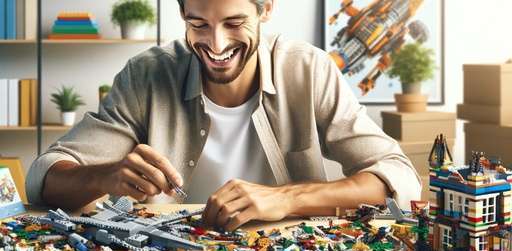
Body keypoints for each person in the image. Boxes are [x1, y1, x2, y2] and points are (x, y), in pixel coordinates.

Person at [26, 0, 421, 232]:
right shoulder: (145, 74)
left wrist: (286, 198)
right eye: (198, 24)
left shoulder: (309, 69)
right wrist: (104, 174)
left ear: (265, 9)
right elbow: (43, 178)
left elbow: (400, 177)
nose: (215, 45)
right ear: (183, 17)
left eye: (234, 23)